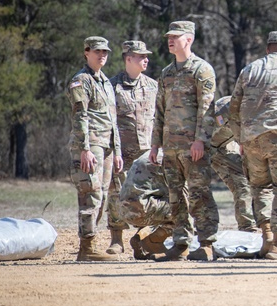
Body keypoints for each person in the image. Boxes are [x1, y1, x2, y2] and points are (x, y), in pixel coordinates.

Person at [229, 31, 277, 260]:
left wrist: (240, 138)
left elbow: (233, 108)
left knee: (260, 188)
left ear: (268, 49)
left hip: (252, 140)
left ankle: (267, 239)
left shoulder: (249, 70)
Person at [149, 20, 220, 261]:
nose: (170, 40)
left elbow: (207, 110)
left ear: (188, 39)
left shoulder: (201, 70)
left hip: (193, 147)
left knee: (199, 194)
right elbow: (159, 111)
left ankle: (207, 243)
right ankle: (180, 244)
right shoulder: (166, 73)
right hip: (170, 148)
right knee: (175, 197)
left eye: (175, 36)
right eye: (169, 36)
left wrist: (200, 140)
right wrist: (155, 144)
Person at [67, 36, 123, 262]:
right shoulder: (81, 81)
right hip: (90, 146)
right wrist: (85, 149)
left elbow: (112, 119)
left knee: (102, 196)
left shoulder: (106, 82)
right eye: (97, 51)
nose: (102, 55)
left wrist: (117, 151)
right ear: (86, 52)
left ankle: (91, 243)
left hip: (106, 146)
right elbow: (81, 116)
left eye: (105, 52)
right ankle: (87, 247)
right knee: (90, 194)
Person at [105, 40, 158, 256]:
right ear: (128, 58)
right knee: (116, 194)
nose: (145, 59)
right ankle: (117, 239)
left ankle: (144, 238)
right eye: (140, 56)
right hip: (122, 152)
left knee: (149, 195)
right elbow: (109, 122)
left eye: (147, 56)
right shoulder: (112, 86)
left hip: (147, 152)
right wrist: (114, 151)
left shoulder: (154, 86)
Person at [210, 96, 257, 232]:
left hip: (224, 145)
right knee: (192, 189)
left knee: (244, 181)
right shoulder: (225, 108)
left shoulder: (256, 107)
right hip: (203, 145)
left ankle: (248, 227)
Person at [119, 152, 175, 261]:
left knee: (165, 205)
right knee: (187, 204)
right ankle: (154, 240)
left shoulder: (151, 153)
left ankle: (142, 235)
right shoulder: (172, 157)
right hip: (142, 210)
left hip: (123, 210)